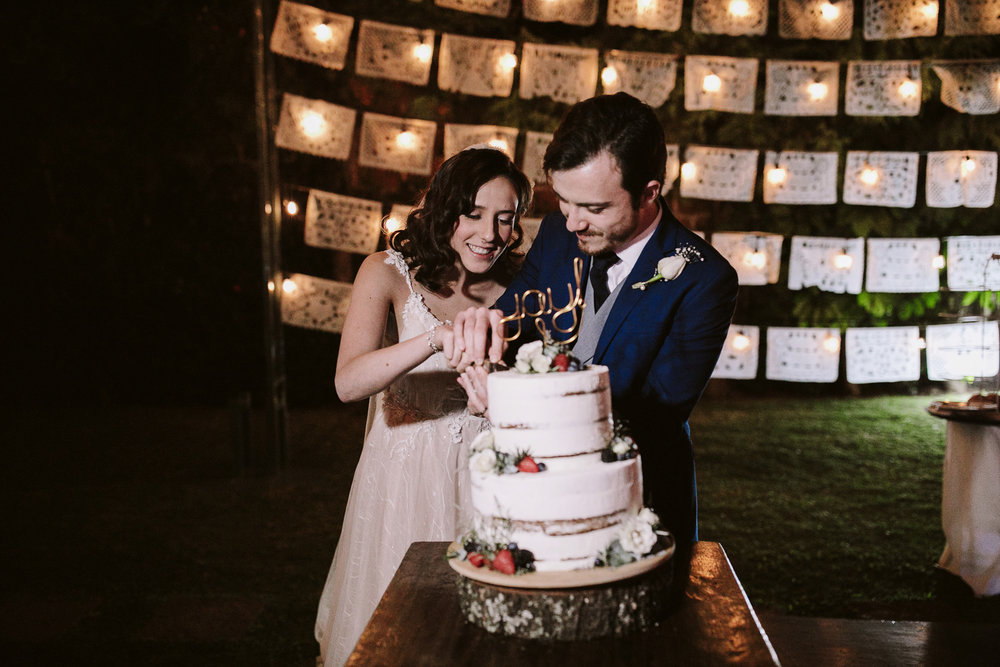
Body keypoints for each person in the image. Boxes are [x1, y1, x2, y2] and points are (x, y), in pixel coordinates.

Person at [451, 93, 738, 549]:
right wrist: (482, 336)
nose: (572, 223)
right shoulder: (556, 233)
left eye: (594, 208)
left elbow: (655, 415)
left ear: (649, 192)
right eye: (564, 201)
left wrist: (517, 406)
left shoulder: (704, 279)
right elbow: (512, 316)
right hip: (534, 491)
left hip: (633, 504)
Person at [315, 148, 533, 667]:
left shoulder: (523, 284)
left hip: (491, 479)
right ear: (444, 209)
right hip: (404, 481)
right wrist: (435, 338)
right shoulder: (387, 272)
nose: (490, 233)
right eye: (474, 214)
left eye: (506, 218)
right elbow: (348, 383)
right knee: (403, 638)